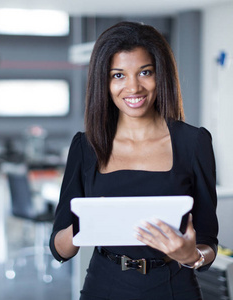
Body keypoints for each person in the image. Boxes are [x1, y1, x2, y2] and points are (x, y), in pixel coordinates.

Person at [50, 21, 218, 300]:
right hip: (104, 285)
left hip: (174, 287)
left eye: (145, 72)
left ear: (160, 74)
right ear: (103, 81)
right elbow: (59, 249)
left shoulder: (193, 142)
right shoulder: (86, 146)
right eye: (118, 75)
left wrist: (193, 256)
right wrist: (85, 225)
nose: (133, 87)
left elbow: (208, 241)